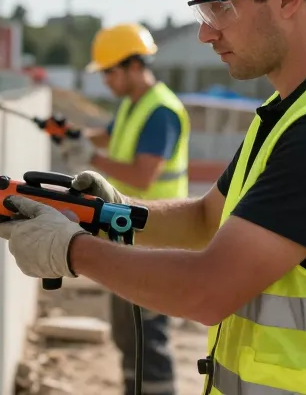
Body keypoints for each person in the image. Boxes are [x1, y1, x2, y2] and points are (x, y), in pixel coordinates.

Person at [0, 0, 306, 393]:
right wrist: (112, 212)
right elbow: (205, 220)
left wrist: (73, 250)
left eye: (219, 7)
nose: (205, 32)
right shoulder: (290, 112)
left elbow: (208, 291)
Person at [60, 22, 191, 395]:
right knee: (127, 332)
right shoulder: (136, 104)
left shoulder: (160, 111)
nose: (106, 81)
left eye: (110, 72)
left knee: (147, 335)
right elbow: (109, 134)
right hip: (128, 235)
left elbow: (143, 175)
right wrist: (74, 135)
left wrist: (92, 156)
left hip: (154, 239)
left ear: (135, 66)